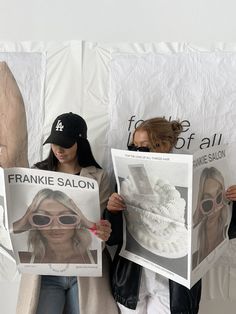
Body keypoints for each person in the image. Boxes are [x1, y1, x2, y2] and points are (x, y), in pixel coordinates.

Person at [16, 112, 119, 314]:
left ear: (80, 142)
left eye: (66, 143)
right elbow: (16, 226)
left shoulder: (98, 177)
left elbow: (100, 225)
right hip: (44, 270)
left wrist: (103, 231)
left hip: (85, 270)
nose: (58, 150)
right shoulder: (37, 174)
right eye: (55, 143)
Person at [105, 117, 202, 314]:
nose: (137, 153)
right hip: (132, 280)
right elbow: (114, 238)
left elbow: (211, 235)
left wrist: (229, 201)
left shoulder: (193, 179)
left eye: (144, 148)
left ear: (164, 145)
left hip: (173, 284)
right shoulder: (126, 179)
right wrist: (112, 211)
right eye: (133, 147)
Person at [13, 188, 98, 264]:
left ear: (77, 220)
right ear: (34, 222)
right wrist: (21, 223)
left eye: (66, 218)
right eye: (43, 218)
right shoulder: (23, 259)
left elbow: (104, 234)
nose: (55, 226)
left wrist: (87, 222)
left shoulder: (97, 258)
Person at [193, 167, 229, 267]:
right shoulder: (194, 258)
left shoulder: (228, 236)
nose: (215, 207)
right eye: (207, 202)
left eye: (219, 197)